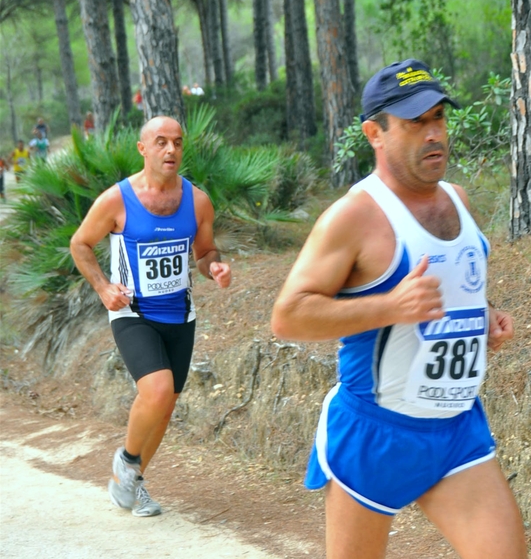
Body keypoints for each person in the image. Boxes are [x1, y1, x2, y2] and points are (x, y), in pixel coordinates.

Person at [271, 59, 526, 559]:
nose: (434, 135)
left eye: (438, 119)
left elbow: (454, 289)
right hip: (377, 432)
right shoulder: (354, 217)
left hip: (457, 428)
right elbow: (289, 315)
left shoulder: (459, 199)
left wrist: (485, 317)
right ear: (375, 133)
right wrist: (390, 306)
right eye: (415, 123)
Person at [70, 116, 231, 517]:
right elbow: (80, 244)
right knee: (156, 392)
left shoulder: (197, 200)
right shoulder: (116, 200)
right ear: (143, 149)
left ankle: (132, 481)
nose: (171, 150)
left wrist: (215, 268)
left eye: (177, 142)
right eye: (160, 142)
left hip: (180, 313)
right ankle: (127, 460)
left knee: (166, 404)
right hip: (133, 312)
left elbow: (206, 252)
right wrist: (104, 287)